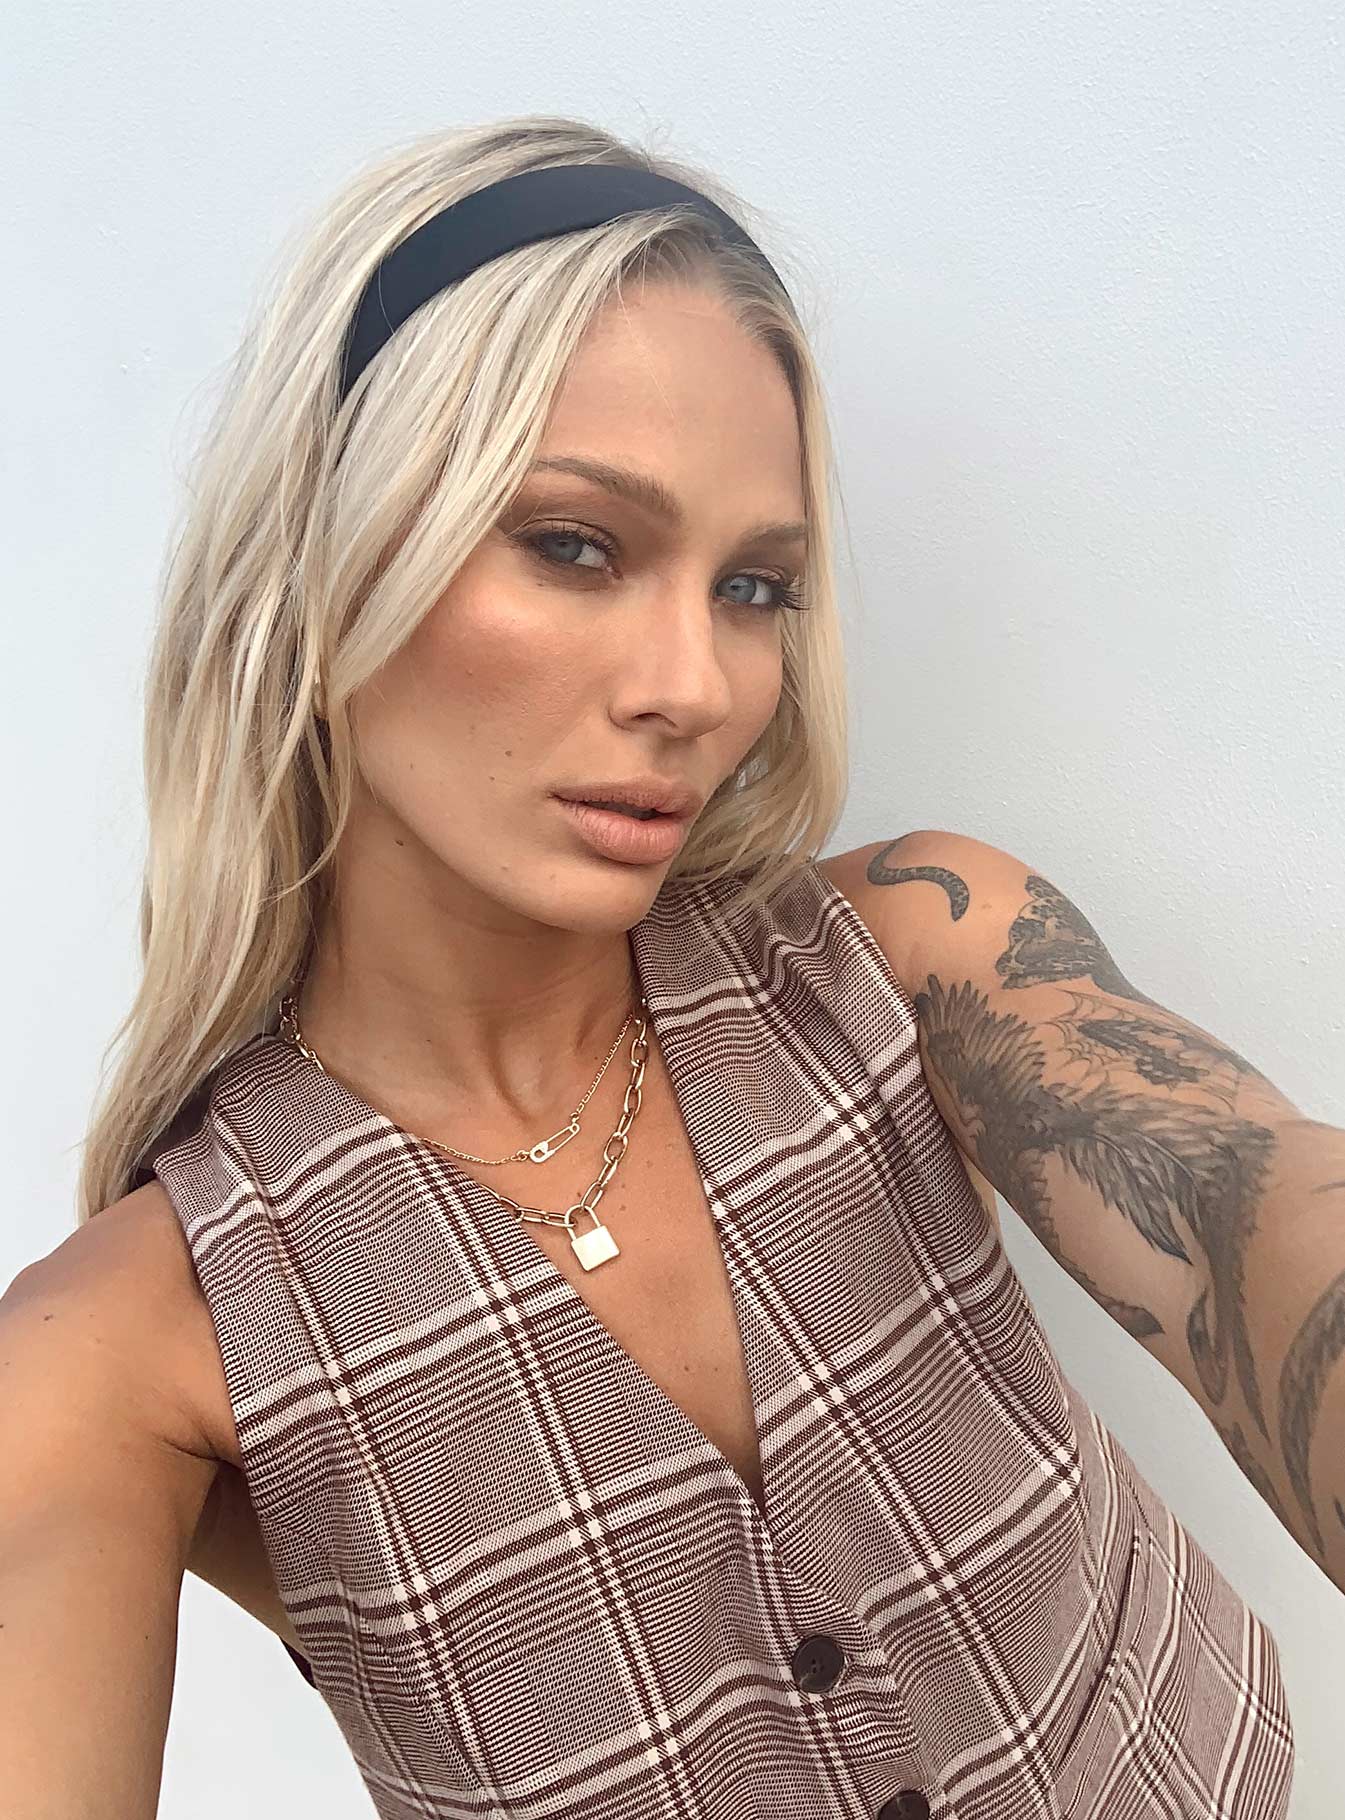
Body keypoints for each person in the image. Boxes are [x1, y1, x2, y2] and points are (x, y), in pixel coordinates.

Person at [2, 112, 1338, 1820]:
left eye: (755, 586)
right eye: (575, 545)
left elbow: (1239, 1207)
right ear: (323, 561)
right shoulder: (130, 1346)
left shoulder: (912, 951)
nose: (696, 687)